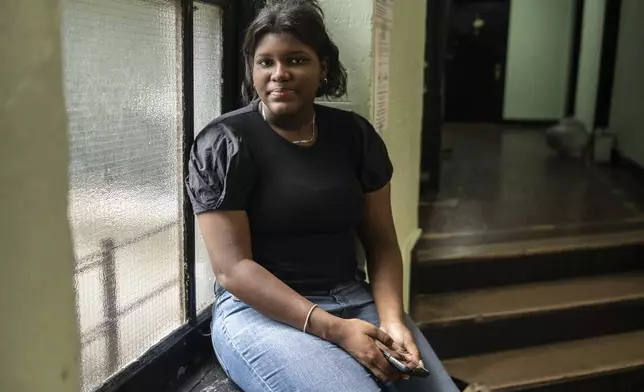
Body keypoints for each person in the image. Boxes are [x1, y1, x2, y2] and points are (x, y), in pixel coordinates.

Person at [185, 1, 460, 391]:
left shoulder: (355, 136)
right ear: (252, 69)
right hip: (261, 312)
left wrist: (393, 319)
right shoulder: (225, 143)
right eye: (265, 62)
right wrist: (334, 329)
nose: (279, 74)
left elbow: (382, 244)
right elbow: (232, 270)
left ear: (323, 68)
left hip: (352, 296)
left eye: (296, 60)